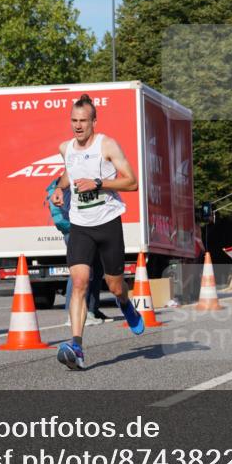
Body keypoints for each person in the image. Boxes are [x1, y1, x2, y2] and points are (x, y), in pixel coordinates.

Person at [50, 94, 143, 370]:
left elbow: (132, 182)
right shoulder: (66, 148)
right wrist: (59, 188)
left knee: (115, 285)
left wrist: (99, 183)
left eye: (83, 121)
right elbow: (69, 171)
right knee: (79, 282)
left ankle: (126, 303)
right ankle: (76, 346)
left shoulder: (107, 145)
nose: (78, 126)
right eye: (74, 120)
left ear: (94, 121)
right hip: (80, 225)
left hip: (108, 222)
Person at [50, 175, 107, 327]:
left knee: (94, 269)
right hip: (77, 228)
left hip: (73, 229)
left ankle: (91, 310)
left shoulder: (62, 183)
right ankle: (75, 313)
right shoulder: (69, 179)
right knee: (80, 271)